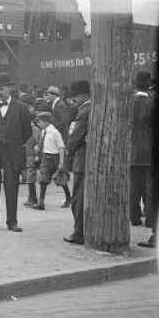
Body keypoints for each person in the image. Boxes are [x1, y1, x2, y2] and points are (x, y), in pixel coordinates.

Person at [0, 73, 32, 232]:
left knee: (12, 187)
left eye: (2, 89)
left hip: (12, 152)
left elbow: (27, 132)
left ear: (10, 88)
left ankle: (12, 222)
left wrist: (14, 142)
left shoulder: (21, 108)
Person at [64, 80, 91, 245]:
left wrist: (67, 154)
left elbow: (75, 137)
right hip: (87, 157)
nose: (74, 100)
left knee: (78, 198)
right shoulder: (91, 107)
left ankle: (79, 232)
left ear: (83, 95)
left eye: (75, 97)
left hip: (82, 158)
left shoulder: (85, 111)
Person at [130, 71, 155, 228]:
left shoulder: (129, 102)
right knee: (149, 187)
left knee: (134, 186)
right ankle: (151, 219)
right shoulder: (153, 102)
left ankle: (134, 217)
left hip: (132, 150)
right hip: (150, 150)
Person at [31, 111, 66, 211]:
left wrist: (61, 163)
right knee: (43, 180)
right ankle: (41, 203)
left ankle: (68, 197)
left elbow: (61, 148)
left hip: (55, 157)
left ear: (46, 122)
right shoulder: (43, 132)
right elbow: (42, 144)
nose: (38, 124)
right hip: (46, 158)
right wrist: (38, 149)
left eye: (40, 122)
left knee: (60, 179)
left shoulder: (54, 132)